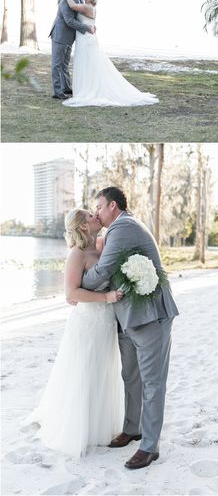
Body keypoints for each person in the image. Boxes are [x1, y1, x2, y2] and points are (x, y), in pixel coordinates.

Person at [81, 187, 179, 470]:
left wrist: (76, 283)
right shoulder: (119, 228)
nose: (96, 212)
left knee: (152, 382)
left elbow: (103, 271)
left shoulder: (123, 227)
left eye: (99, 207)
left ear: (113, 205)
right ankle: (132, 428)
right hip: (129, 316)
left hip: (150, 316)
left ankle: (149, 447)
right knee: (131, 376)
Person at [22, 209, 124, 457]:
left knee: (105, 371)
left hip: (108, 321)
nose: (96, 215)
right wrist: (106, 297)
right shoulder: (76, 255)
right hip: (88, 322)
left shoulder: (103, 243)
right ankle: (80, 427)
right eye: (90, 215)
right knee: (85, 370)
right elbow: (71, 294)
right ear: (82, 227)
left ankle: (104, 424)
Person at [62, 0, 159, 107]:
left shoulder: (87, 7)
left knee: (88, 64)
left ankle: (89, 89)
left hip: (86, 40)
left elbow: (72, 6)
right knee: (88, 65)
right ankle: (86, 87)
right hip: (85, 38)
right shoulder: (88, 6)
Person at [49, 0, 95, 100]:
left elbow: (80, 16)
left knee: (65, 64)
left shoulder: (78, 0)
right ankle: (57, 92)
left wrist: (91, 24)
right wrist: (86, 28)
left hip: (69, 37)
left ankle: (67, 88)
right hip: (60, 35)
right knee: (57, 64)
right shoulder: (65, 1)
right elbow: (69, 21)